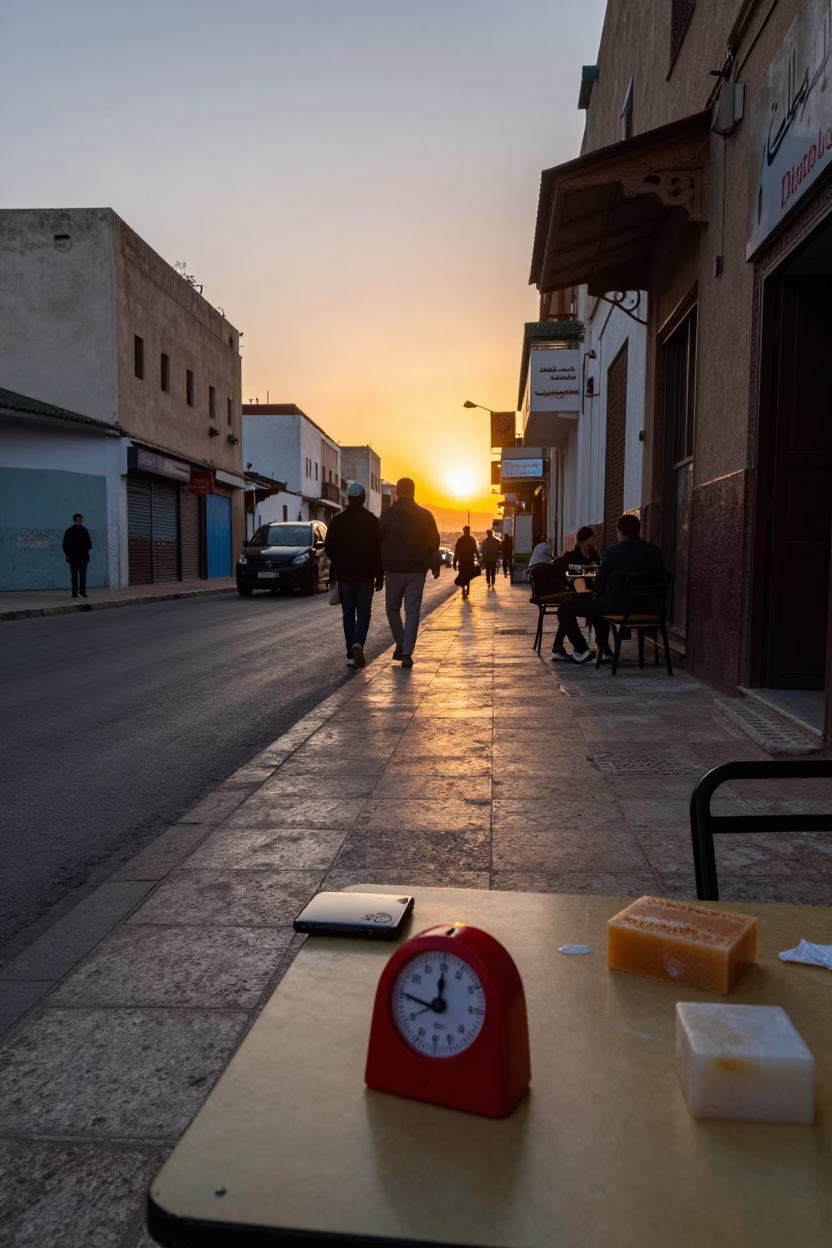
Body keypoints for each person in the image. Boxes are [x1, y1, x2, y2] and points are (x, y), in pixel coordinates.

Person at [556, 513, 665, 664]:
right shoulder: (655, 551)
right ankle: (604, 649)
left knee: (565, 608)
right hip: (650, 609)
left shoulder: (613, 552)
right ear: (638, 530)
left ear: (619, 532)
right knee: (599, 604)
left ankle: (581, 650)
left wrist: (591, 585)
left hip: (617, 608)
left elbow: (598, 584)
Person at [379, 477, 440, 668]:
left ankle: (401, 644)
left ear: (399, 491)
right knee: (412, 611)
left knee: (392, 608)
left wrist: (378, 568)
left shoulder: (387, 515)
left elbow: (377, 541)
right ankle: (406, 650)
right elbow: (433, 543)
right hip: (417, 570)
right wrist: (434, 564)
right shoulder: (425, 515)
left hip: (393, 570)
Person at [324, 482, 383, 668]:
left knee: (348, 614)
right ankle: (358, 642)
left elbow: (329, 547)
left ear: (348, 498)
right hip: (366, 576)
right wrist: (380, 575)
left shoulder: (338, 520)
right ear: (364, 499)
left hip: (345, 576)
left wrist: (339, 563)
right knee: (364, 613)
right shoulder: (373, 521)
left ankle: (350, 653)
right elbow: (378, 551)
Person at [550, 525, 601, 660]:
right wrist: (568, 578)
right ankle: (569, 647)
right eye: (591, 539)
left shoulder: (594, 557)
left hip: (590, 593)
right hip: (576, 592)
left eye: (594, 539)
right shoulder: (571, 557)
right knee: (568, 606)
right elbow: (556, 566)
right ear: (582, 541)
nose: (594, 542)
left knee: (568, 608)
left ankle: (558, 646)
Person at [62, 513, 92, 598]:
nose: (80, 522)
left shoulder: (84, 530)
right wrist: (68, 555)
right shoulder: (70, 531)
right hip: (73, 557)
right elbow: (65, 544)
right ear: (75, 521)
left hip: (83, 557)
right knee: (74, 576)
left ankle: (82, 591)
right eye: (78, 520)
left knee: (83, 575)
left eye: (81, 520)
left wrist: (88, 554)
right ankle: (74, 592)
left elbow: (88, 543)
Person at [453, 525, 478, 599]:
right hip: (468, 561)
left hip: (463, 561)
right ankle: (466, 589)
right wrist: (478, 557)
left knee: (464, 575)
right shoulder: (471, 539)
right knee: (467, 575)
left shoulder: (460, 540)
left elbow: (456, 552)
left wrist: (455, 562)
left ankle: (464, 588)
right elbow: (475, 550)